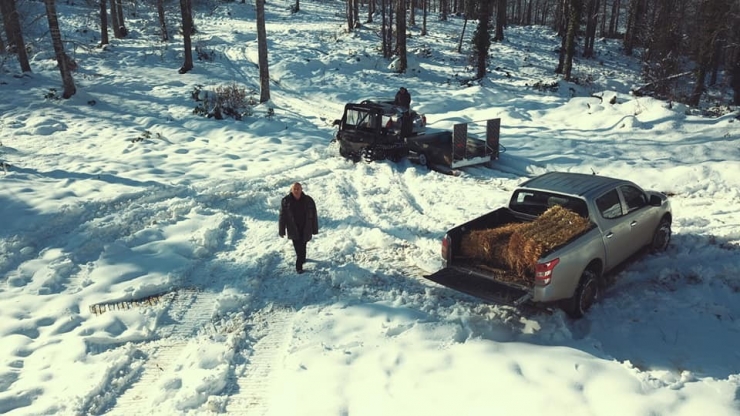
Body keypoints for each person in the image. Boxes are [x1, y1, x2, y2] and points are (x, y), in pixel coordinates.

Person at [279, 182, 318, 274]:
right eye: (294, 189)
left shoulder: (309, 200)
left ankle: (302, 258)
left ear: (301, 189)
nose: (296, 190)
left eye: (298, 188)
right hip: (293, 228)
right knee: (298, 247)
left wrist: (314, 228)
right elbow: (282, 216)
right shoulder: (286, 201)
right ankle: (299, 266)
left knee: (303, 244)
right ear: (291, 190)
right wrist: (281, 229)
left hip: (306, 227)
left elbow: (314, 215)